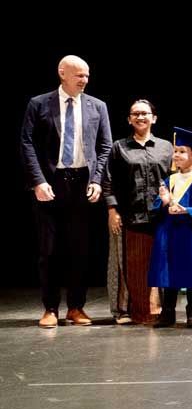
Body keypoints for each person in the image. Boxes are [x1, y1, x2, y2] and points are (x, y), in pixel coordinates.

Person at [20, 55, 112, 328]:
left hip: (82, 183)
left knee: (79, 250)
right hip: (50, 182)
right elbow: (26, 143)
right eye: (79, 75)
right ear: (62, 73)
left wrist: (97, 180)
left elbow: (104, 146)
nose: (84, 80)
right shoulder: (39, 104)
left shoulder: (98, 106)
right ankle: (50, 308)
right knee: (49, 250)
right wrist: (37, 181)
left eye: (86, 75)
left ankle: (76, 307)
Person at [102, 99, 173, 324]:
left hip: (161, 216)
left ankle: (158, 308)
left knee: (158, 263)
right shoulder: (119, 147)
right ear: (129, 119)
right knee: (128, 263)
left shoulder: (166, 147)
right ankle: (125, 310)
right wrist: (112, 210)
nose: (140, 117)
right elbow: (108, 181)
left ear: (154, 118)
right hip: (129, 215)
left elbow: (175, 178)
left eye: (144, 113)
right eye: (135, 114)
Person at [148, 128, 192, 328]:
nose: (176, 155)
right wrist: (165, 201)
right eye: (175, 151)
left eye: (182, 151)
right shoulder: (170, 179)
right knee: (169, 270)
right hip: (170, 232)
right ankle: (168, 312)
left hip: (191, 233)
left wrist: (186, 210)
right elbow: (159, 204)